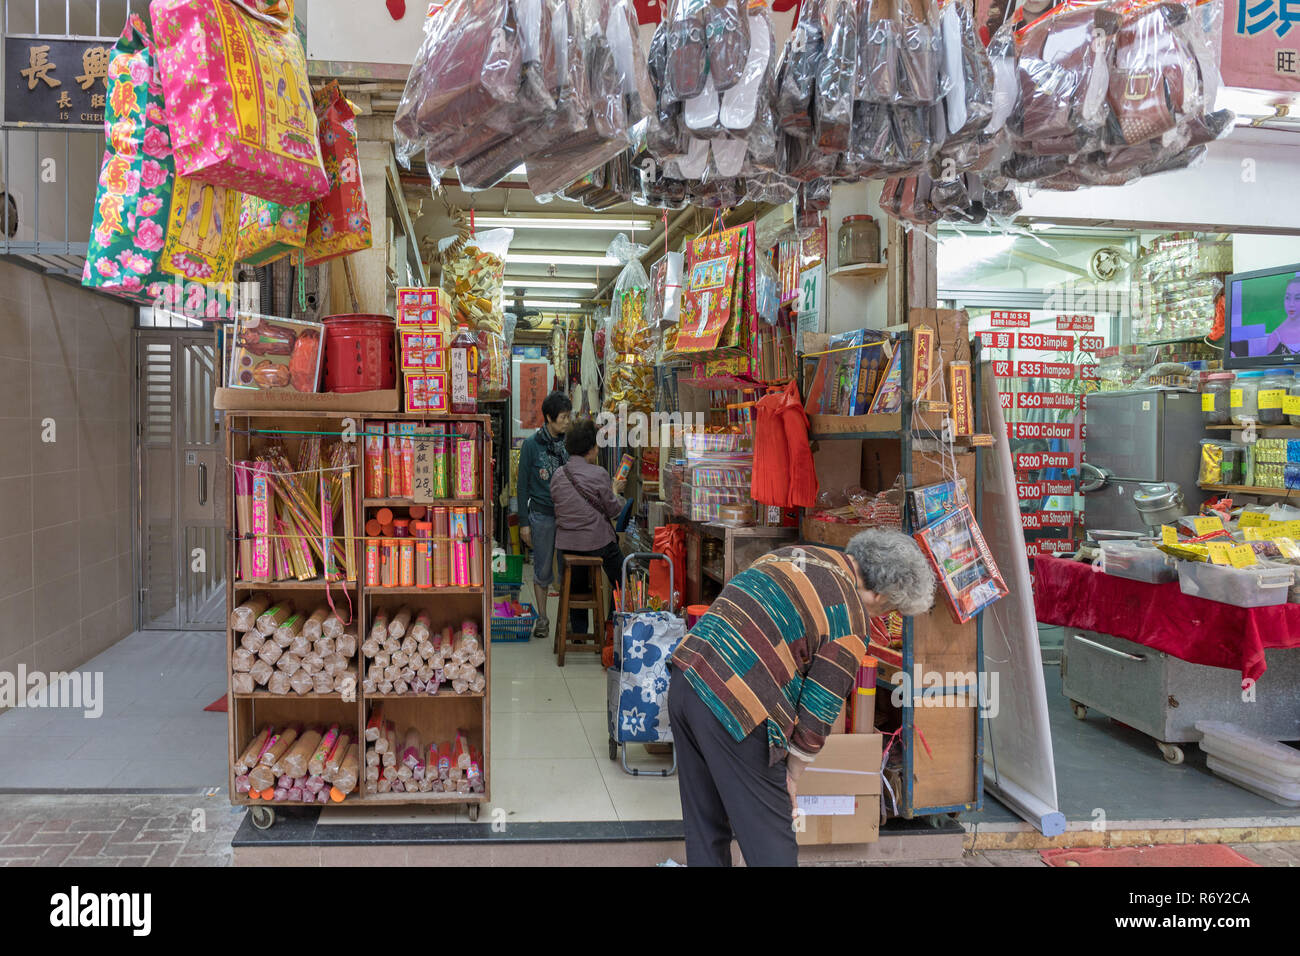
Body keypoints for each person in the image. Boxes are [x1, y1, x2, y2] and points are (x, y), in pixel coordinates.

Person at [668, 528, 936, 867]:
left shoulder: (797, 554)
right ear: (882, 596)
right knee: (772, 842)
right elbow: (818, 713)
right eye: (892, 609)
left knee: (705, 827)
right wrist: (791, 776)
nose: (883, 617)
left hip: (687, 674)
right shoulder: (851, 617)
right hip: (738, 704)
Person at [517, 390, 577, 642]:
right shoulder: (531, 445)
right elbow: (521, 486)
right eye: (563, 417)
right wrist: (523, 523)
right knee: (542, 569)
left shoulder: (572, 443)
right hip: (540, 515)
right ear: (549, 418)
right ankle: (542, 618)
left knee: (568, 570)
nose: (567, 421)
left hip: (568, 517)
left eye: (568, 416)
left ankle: (567, 620)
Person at [550, 419, 627, 616]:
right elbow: (614, 510)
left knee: (578, 587)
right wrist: (615, 491)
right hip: (597, 543)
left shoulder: (558, 475)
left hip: (567, 545)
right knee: (623, 578)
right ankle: (613, 623)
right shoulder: (598, 473)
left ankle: (578, 635)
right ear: (591, 448)